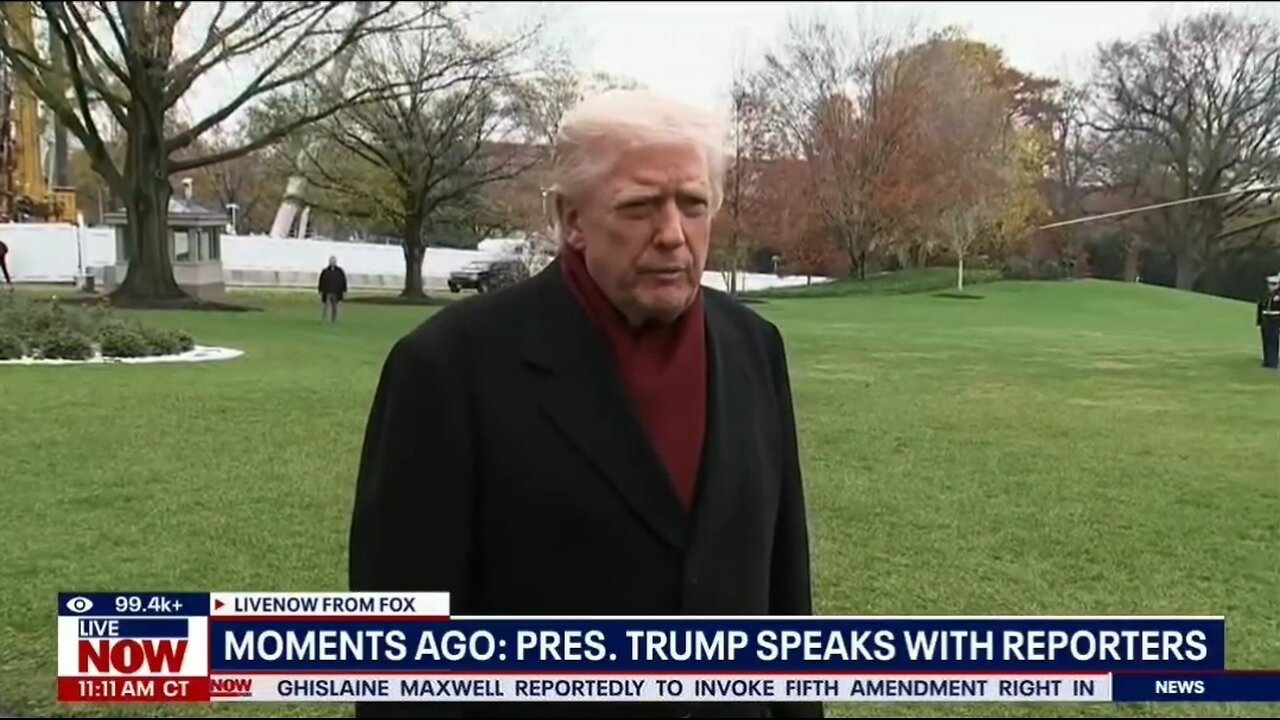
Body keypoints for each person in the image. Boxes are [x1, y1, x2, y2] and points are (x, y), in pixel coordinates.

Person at [348, 89, 823, 719]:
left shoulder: (754, 348)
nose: (672, 235)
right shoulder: (447, 368)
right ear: (571, 218)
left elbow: (785, 600)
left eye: (693, 204)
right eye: (640, 207)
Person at [1257, 273, 1280, 369]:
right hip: (1266, 318)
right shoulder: (1265, 295)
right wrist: (1259, 320)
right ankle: (1267, 360)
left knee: (1273, 341)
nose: (1271, 286)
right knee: (1266, 340)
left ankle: (1273, 361)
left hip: (1275, 319)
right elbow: (1260, 307)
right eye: (1270, 284)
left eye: (1274, 284)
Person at [318, 256, 347, 323]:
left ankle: (333, 320)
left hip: (336, 292)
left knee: (335, 307)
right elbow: (321, 281)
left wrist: (344, 290)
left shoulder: (340, 272)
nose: (332, 262)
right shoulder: (325, 271)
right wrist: (320, 290)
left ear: (335, 262)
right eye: (331, 261)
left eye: (333, 261)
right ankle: (324, 320)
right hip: (327, 292)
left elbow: (344, 281)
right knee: (326, 307)